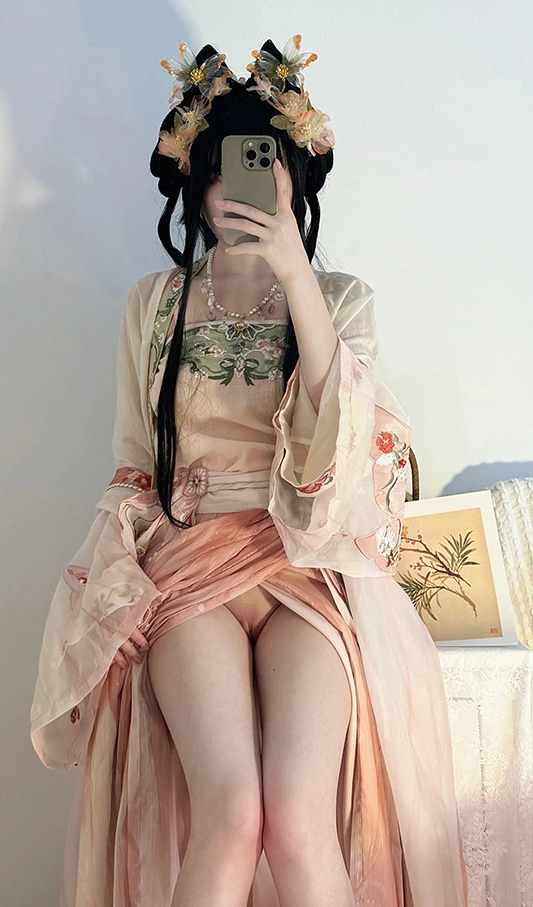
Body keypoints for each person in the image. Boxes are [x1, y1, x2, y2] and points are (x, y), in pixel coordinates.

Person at [30, 36, 468, 907]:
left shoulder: (340, 299)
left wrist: (295, 273)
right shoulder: (153, 304)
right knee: (231, 813)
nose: (241, 186)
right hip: (192, 564)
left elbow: (346, 443)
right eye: (223, 167)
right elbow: (135, 467)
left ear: (295, 178)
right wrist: (117, 583)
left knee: (299, 818)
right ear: (196, 182)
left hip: (306, 562)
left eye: (264, 164)